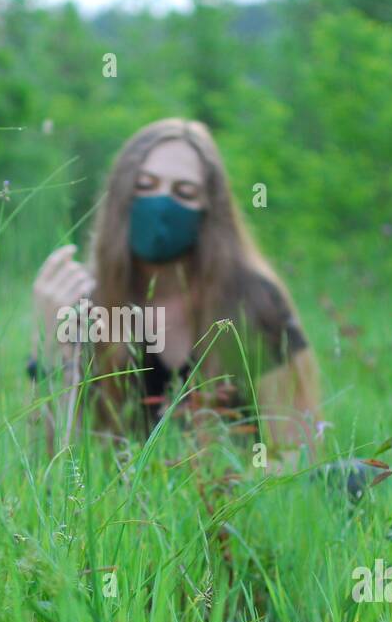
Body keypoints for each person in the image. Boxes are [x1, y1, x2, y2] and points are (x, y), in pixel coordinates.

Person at [31, 117, 319, 451]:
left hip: (233, 495)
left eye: (184, 192)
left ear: (209, 208)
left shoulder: (252, 300)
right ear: (122, 195)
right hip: (126, 500)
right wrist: (51, 350)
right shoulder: (88, 304)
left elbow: (299, 452)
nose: (161, 204)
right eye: (145, 186)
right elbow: (51, 465)